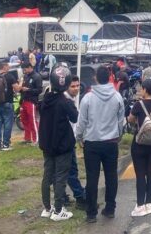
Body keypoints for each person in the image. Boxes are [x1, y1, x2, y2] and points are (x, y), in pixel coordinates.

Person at [75, 66, 125, 223]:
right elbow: (120, 120)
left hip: (92, 143)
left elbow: (82, 121)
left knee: (92, 178)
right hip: (111, 142)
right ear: (109, 77)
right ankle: (110, 208)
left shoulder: (88, 98)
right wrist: (118, 136)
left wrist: (79, 137)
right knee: (111, 176)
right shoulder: (117, 97)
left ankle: (91, 213)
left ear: (95, 78)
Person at [39, 64, 78, 222]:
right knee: (60, 177)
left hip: (47, 143)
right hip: (62, 145)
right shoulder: (64, 101)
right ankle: (59, 209)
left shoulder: (45, 99)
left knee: (47, 176)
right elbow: (75, 117)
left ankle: (47, 208)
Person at [127, 80, 151, 217]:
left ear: (145, 90)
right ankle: (149, 204)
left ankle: (140, 205)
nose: (140, 90)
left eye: (141, 88)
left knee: (140, 174)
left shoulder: (138, 104)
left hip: (140, 144)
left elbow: (131, 119)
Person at [63, 76, 87, 208]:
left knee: (66, 170)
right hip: (65, 141)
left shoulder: (71, 99)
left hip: (69, 139)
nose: (76, 88)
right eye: (73, 86)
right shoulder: (65, 101)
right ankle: (80, 196)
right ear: (66, 86)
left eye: (77, 85)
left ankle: (62, 196)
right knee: (70, 170)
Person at [0, 62, 18, 151]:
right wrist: (21, 82)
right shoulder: (10, 76)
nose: (9, 67)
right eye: (8, 66)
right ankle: (6, 144)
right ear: (4, 67)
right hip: (7, 103)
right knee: (7, 124)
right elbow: (17, 88)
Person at [18, 62, 42, 145]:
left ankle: (36, 139)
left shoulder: (37, 76)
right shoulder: (25, 76)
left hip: (31, 101)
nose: (24, 71)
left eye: (25, 69)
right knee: (24, 120)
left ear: (29, 67)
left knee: (32, 120)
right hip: (23, 100)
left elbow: (39, 90)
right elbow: (21, 88)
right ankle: (27, 138)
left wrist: (28, 90)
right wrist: (19, 88)